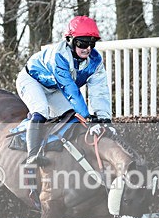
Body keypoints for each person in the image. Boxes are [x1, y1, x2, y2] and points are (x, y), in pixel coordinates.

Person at [16, 15, 113, 166]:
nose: (87, 48)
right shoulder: (59, 56)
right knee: (41, 110)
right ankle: (32, 156)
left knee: (73, 117)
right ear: (70, 41)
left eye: (91, 44)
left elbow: (99, 91)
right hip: (32, 81)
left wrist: (105, 119)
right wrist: (88, 118)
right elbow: (70, 90)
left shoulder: (96, 61)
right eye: (82, 43)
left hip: (54, 87)